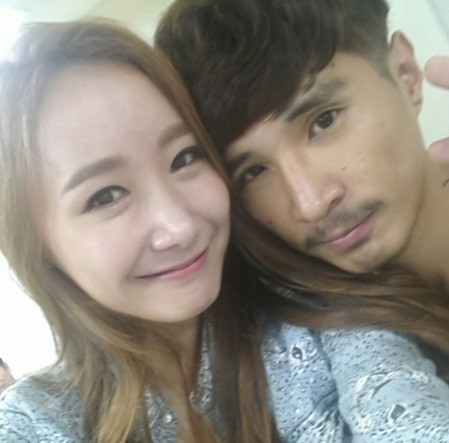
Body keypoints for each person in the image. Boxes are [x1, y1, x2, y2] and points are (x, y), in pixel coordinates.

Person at [2, 18, 449, 443]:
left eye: (184, 157)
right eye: (106, 196)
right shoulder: (35, 420)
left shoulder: (316, 314)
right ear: (36, 244)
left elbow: (401, 406)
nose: (179, 227)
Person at [156, 0, 449, 350]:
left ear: (406, 74)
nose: (310, 205)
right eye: (254, 171)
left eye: (324, 121)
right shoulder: (314, 349)